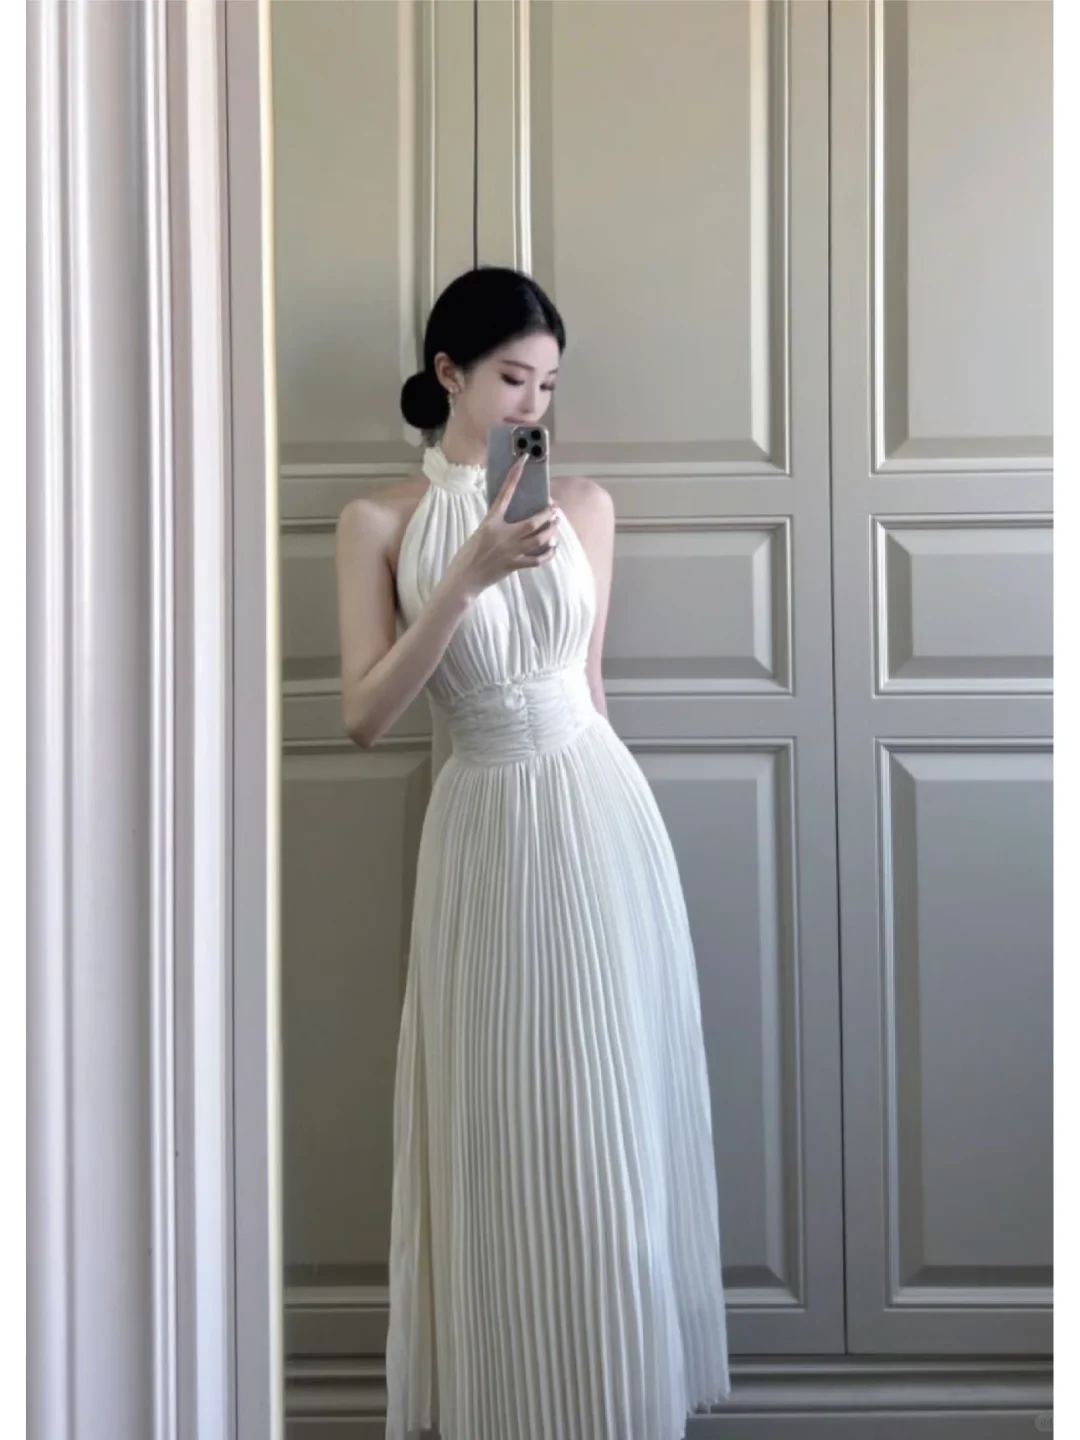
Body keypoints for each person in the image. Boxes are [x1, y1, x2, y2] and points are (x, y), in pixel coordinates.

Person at [335, 266, 731, 1440]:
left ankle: (620, 1407)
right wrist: (461, 580)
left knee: (610, 1129)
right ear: (448, 373)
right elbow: (365, 718)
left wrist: (627, 851)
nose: (533, 403)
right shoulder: (377, 526)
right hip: (485, 829)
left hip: (596, 817)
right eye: (513, 377)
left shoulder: (587, 509)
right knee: (500, 1128)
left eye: (550, 384)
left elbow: (591, 689)